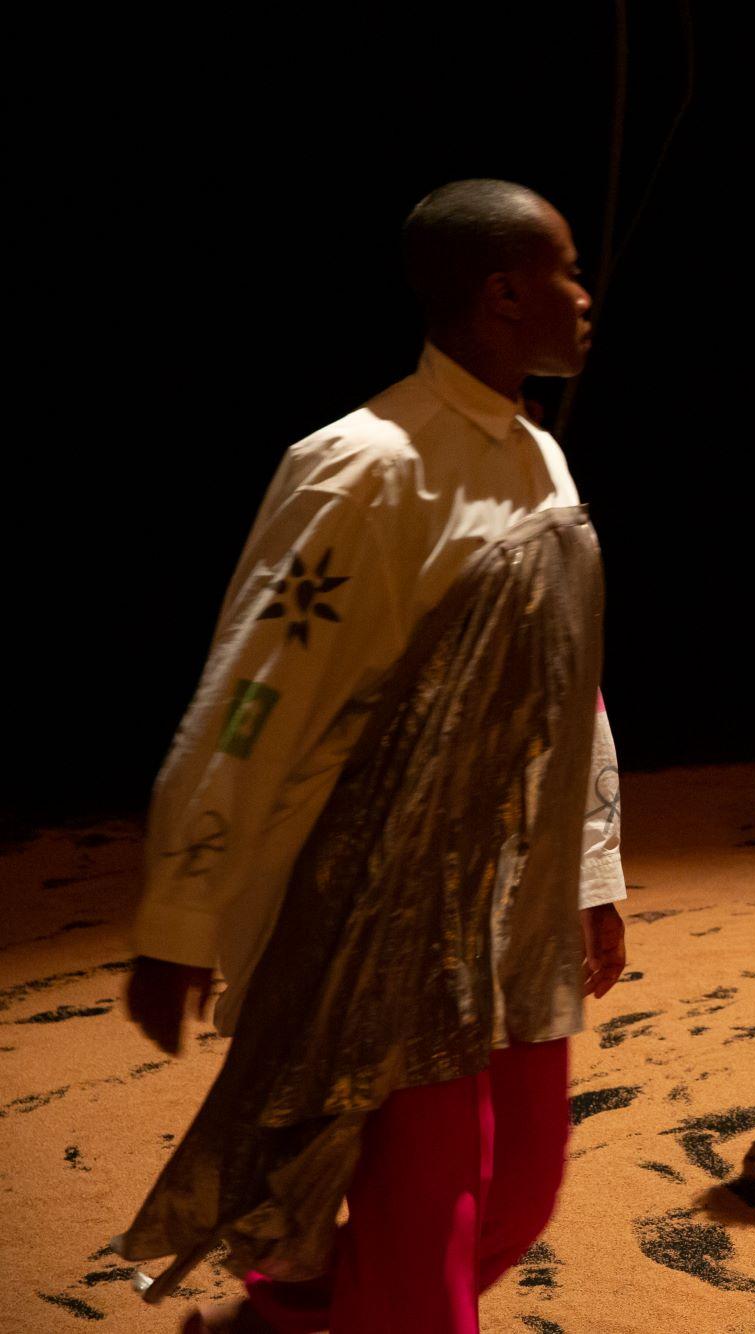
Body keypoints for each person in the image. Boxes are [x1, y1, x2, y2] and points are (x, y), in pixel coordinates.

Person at [116, 179, 629, 1334]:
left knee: (519, 1196)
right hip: (381, 920)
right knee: (426, 1223)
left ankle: (291, 1313)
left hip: (513, 904)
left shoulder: (541, 459)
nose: (585, 296)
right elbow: (252, 695)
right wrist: (178, 921)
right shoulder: (361, 466)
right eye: (566, 270)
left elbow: (564, 694)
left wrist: (591, 876)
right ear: (503, 292)